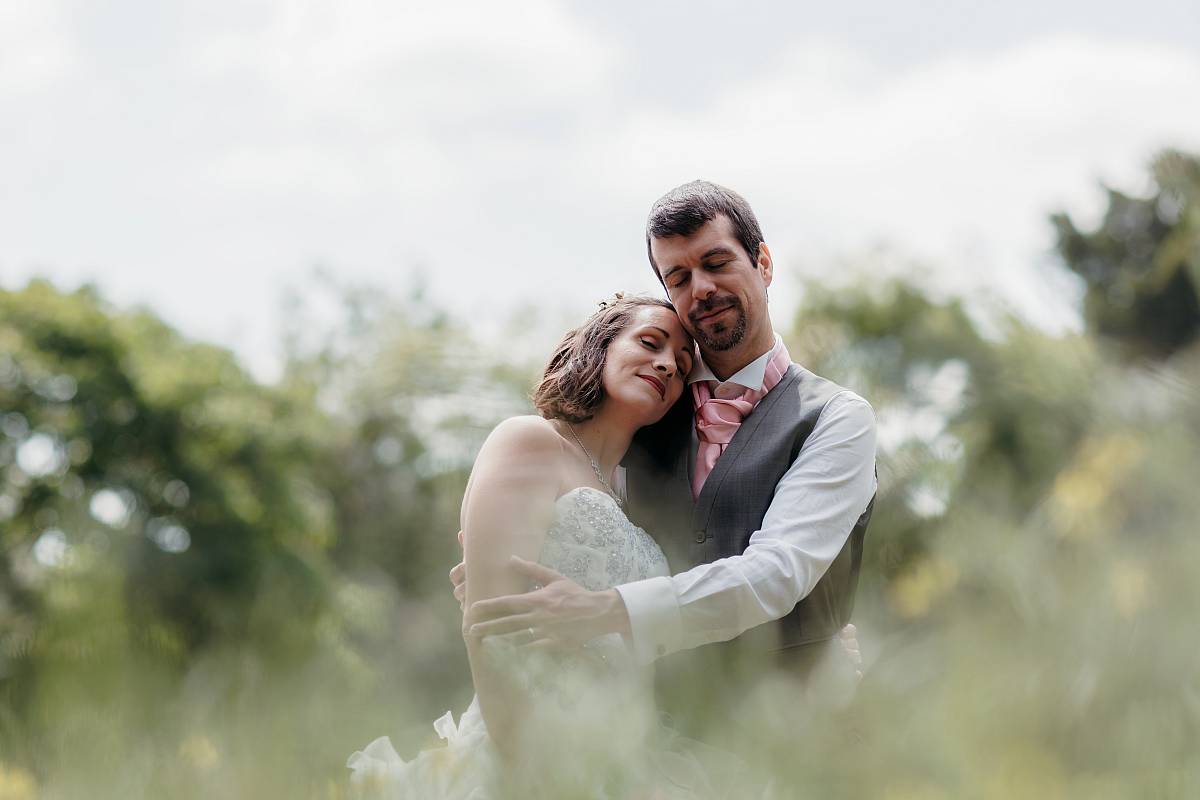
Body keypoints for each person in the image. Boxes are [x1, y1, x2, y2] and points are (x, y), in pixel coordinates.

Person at [460, 181, 878, 737]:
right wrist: (501, 568)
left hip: (790, 735)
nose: (700, 288)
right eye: (678, 278)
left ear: (764, 263)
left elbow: (778, 572)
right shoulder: (642, 411)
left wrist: (607, 608)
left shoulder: (837, 419)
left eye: (716, 262)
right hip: (646, 739)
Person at [348, 296, 745, 798]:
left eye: (683, 365)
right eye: (650, 342)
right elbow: (489, 629)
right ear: (600, 347)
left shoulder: (629, 499)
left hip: (624, 755)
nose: (668, 363)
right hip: (524, 754)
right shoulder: (529, 440)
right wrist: (528, 769)